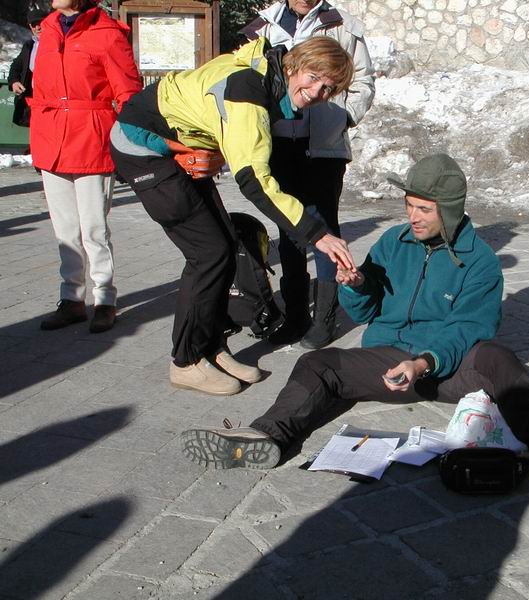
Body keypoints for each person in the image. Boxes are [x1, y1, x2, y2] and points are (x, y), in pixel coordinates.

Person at [181, 153, 529, 472]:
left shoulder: (480, 262)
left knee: (497, 359)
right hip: (388, 365)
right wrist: (356, 285)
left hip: (445, 369)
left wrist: (423, 362)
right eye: (409, 204)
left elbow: (468, 328)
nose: (413, 216)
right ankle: (267, 437)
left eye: (424, 209)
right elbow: (366, 311)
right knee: (317, 363)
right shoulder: (394, 241)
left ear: (451, 210)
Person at [111, 36, 357, 396]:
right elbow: (253, 179)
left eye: (329, 88)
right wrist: (317, 233)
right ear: (294, 65)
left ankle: (211, 347)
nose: (318, 92)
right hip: (140, 146)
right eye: (314, 77)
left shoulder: (265, 77)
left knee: (226, 245)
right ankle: (186, 361)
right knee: (208, 253)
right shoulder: (249, 90)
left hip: (175, 144)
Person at [253, 0, 375, 349]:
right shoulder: (266, 24)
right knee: (290, 228)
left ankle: (324, 317)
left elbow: (364, 81)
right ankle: (295, 315)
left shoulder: (343, 25)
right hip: (279, 142)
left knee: (324, 228)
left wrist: (342, 117)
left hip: (324, 148)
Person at [30, 0, 141, 333]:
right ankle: (72, 299)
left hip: (91, 139)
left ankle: (104, 298)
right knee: (64, 230)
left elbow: (129, 93)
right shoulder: (47, 30)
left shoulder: (107, 33)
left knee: (94, 228)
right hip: (51, 140)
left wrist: (130, 143)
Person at [8, 8, 48, 129]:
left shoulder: (59, 44)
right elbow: (16, 65)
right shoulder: (29, 45)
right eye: (34, 25)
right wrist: (14, 81)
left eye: (40, 23)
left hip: (51, 101)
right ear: (30, 27)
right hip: (31, 101)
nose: (37, 27)